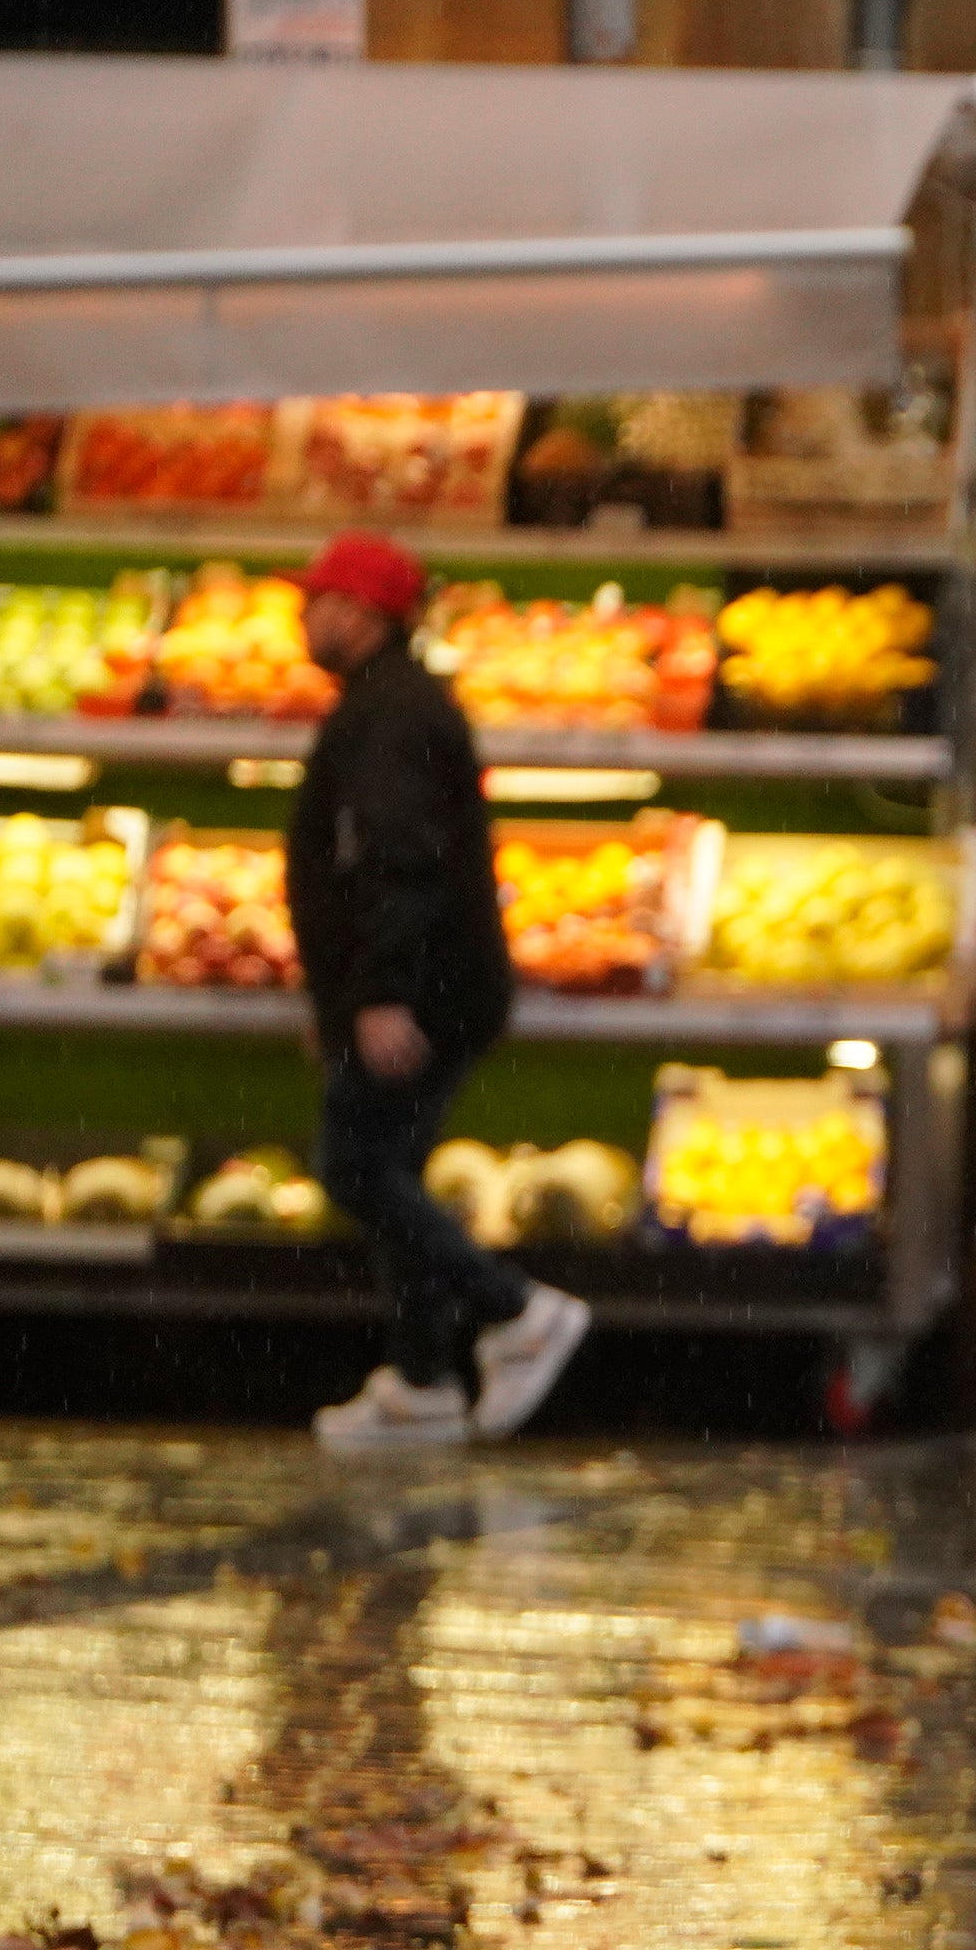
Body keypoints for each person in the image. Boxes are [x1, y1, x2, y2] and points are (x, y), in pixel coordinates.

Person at [292, 531, 585, 1446]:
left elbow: (399, 859)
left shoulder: (396, 716)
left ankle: (519, 1312)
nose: (304, 617)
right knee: (391, 1170)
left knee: (356, 1167)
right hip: (418, 986)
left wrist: (378, 996)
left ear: (364, 613)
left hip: (421, 991)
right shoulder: (384, 706)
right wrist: (338, 1000)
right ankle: (423, 1383)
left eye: (318, 600)